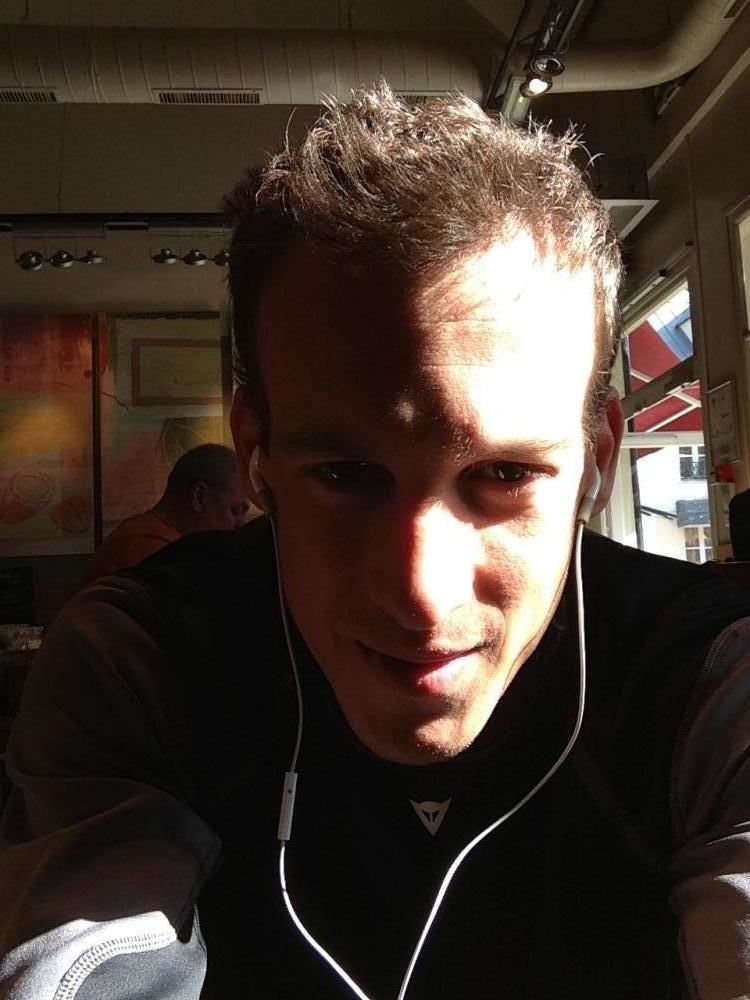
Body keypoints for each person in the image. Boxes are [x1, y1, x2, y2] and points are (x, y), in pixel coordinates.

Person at [1, 82, 749, 999]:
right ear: (256, 455)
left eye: (505, 474)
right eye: (346, 475)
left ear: (596, 464)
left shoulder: (706, 676)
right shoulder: (143, 659)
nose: (421, 595)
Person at [81, 443, 252, 585]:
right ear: (199, 497)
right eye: (237, 511)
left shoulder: (148, 536)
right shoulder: (151, 548)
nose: (242, 524)